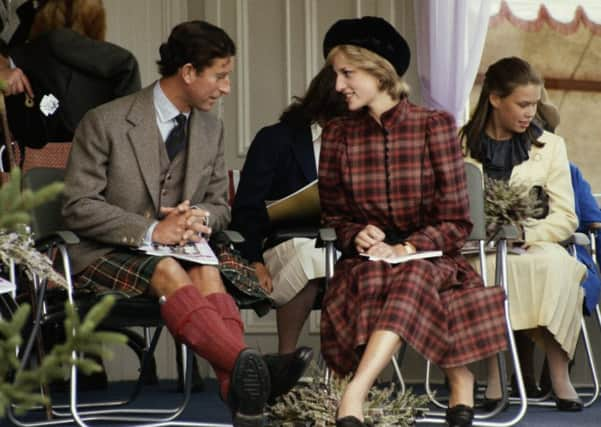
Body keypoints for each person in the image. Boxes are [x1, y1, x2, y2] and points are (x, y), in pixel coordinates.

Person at [61, 20, 311, 427]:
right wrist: (150, 230)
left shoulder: (211, 127)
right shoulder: (105, 121)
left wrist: (199, 218)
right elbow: (77, 206)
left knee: (208, 271)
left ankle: (241, 386)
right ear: (189, 72)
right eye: (221, 76)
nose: (227, 88)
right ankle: (253, 370)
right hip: (107, 248)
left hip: (184, 246)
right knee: (167, 268)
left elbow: (219, 203)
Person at [318, 17, 508, 427]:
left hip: (436, 261)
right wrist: (356, 233)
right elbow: (335, 215)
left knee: (412, 275)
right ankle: (460, 377)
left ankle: (354, 393)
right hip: (367, 265)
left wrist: (407, 248)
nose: (338, 85)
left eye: (347, 73)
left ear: (379, 70)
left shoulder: (434, 127)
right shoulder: (337, 134)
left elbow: (457, 221)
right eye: (336, 75)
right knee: (383, 278)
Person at [460, 56, 586, 412]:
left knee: (557, 267)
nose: (531, 112)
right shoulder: (461, 144)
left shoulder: (550, 146)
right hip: (478, 247)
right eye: (523, 104)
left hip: (533, 243)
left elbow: (566, 216)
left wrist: (527, 232)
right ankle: (496, 375)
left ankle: (559, 376)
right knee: (487, 273)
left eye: (534, 104)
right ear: (495, 99)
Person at [230, 65, 346, 354]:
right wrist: (253, 259)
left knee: (364, 265)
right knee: (311, 257)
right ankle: (286, 359)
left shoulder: (366, 141)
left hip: (348, 242)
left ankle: (359, 372)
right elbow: (247, 208)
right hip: (286, 241)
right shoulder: (276, 139)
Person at [0, 0, 141, 159]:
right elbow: (127, 63)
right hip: (91, 164)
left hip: (32, 167)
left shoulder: (32, 53)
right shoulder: (107, 66)